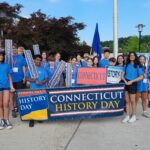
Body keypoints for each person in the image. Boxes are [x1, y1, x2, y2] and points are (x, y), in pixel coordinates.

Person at [25, 55, 48, 127]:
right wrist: (32, 80)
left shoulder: (43, 69)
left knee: (40, 104)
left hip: (41, 89)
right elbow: (26, 78)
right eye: (37, 60)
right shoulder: (31, 69)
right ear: (34, 60)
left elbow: (46, 78)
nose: (38, 61)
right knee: (33, 104)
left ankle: (39, 117)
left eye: (40, 60)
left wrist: (41, 82)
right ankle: (31, 119)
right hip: (33, 89)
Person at [121, 52, 143, 123]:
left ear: (135, 56)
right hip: (126, 83)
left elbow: (141, 77)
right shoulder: (126, 65)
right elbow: (122, 75)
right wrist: (125, 81)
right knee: (127, 101)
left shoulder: (138, 65)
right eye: (130, 55)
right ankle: (127, 116)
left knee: (133, 101)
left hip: (133, 83)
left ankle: (133, 116)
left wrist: (132, 81)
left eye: (133, 55)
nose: (131, 56)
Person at [11, 46, 27, 118]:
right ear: (11, 50)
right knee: (12, 95)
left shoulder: (21, 57)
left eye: (15, 48)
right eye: (12, 48)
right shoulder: (9, 58)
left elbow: (24, 67)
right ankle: (14, 108)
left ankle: (21, 108)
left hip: (20, 79)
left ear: (17, 50)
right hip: (11, 79)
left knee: (20, 94)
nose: (14, 49)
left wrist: (24, 77)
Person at [0, 51, 14, 129]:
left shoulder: (7, 65)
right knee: (0, 105)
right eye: (0, 55)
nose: (1, 57)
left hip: (6, 86)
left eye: (2, 56)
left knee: (6, 104)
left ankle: (7, 120)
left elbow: (9, 76)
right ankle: (1, 120)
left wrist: (11, 86)